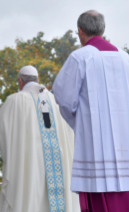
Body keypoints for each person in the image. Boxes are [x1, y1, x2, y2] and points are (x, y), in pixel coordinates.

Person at [52, 10, 129, 212]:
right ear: (102, 29)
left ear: (80, 30)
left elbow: (63, 98)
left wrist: (81, 124)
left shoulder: (80, 57)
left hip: (95, 147)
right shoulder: (126, 59)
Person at [0, 66, 80, 212]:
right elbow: (72, 134)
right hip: (59, 172)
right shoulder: (56, 102)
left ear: (20, 81)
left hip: (29, 169)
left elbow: (0, 135)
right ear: (37, 79)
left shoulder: (15, 101)